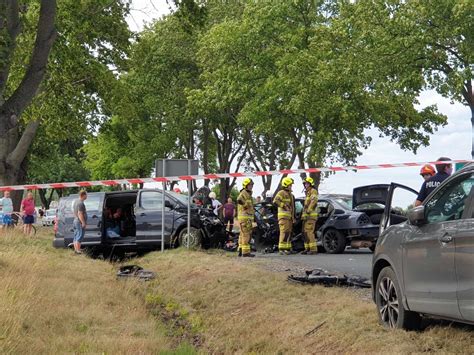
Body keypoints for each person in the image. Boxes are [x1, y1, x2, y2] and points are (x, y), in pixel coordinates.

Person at [273, 177, 295, 255]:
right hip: (283, 217)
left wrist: (293, 217)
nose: (291, 186)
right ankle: (281, 249)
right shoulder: (281, 192)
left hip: (289, 217)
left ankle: (287, 248)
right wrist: (283, 205)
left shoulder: (291, 195)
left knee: (288, 232)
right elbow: (275, 201)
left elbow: (292, 207)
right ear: (286, 185)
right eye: (290, 185)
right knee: (284, 232)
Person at [237, 178, 255, 257]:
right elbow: (239, 199)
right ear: (246, 185)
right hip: (245, 218)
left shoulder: (248, 193)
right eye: (250, 185)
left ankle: (241, 250)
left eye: (252, 185)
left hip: (245, 218)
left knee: (242, 234)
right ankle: (246, 252)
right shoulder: (244, 193)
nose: (251, 186)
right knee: (246, 234)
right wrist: (245, 205)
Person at [301, 177, 318, 255]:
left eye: (307, 183)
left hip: (311, 216)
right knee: (305, 232)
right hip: (307, 217)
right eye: (305, 184)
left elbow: (313, 201)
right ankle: (307, 248)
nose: (305, 185)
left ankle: (313, 249)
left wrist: (309, 210)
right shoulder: (308, 192)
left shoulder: (313, 191)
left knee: (309, 232)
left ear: (311, 184)